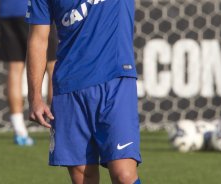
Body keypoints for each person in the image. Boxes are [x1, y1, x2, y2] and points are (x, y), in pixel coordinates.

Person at [26, 0, 142, 183]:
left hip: (116, 82)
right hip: (69, 89)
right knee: (83, 178)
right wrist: (35, 97)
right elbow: (38, 39)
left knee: (124, 176)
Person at [0, 0, 58, 146]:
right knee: (52, 66)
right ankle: (57, 127)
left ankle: (20, 131)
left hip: (8, 11)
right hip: (39, 11)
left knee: (15, 69)